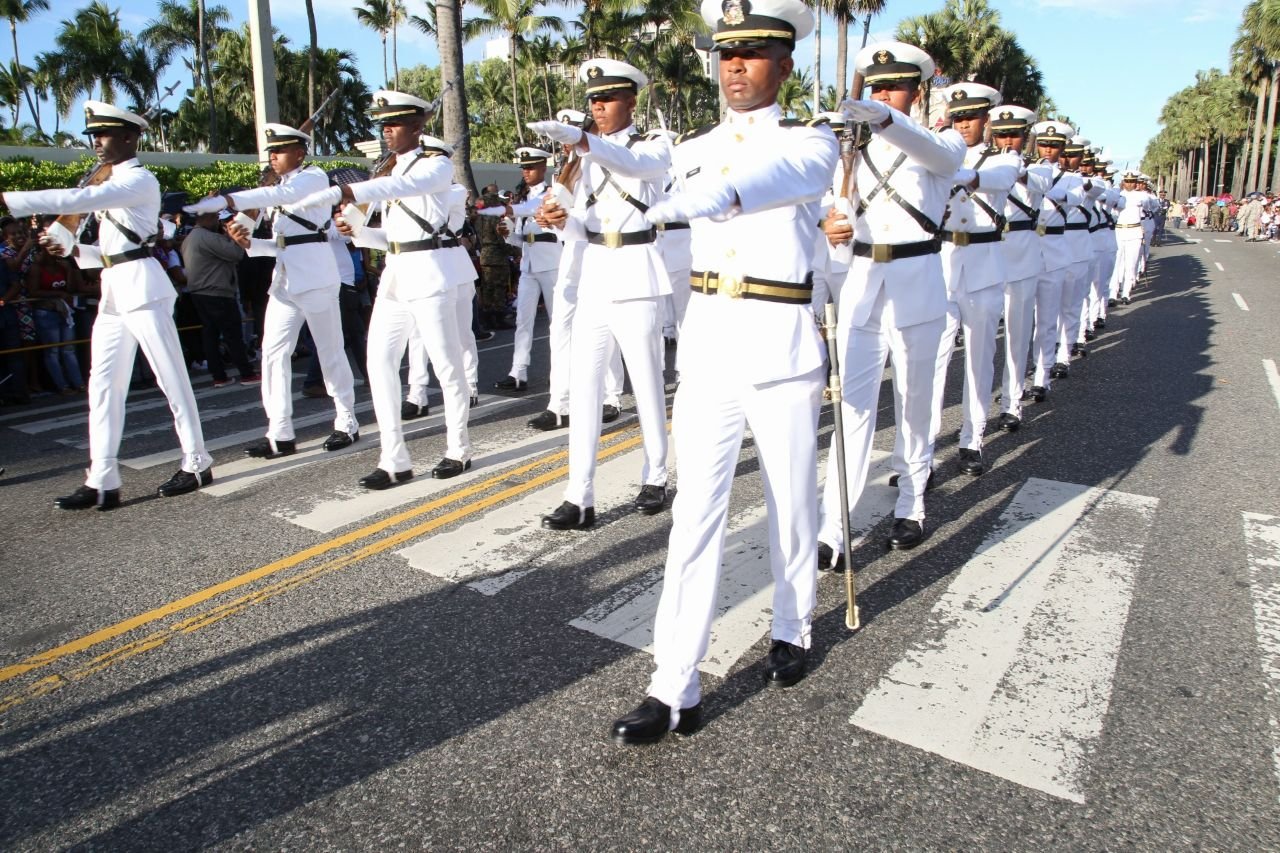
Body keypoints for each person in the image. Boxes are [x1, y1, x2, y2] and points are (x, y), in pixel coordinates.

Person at [609, 0, 836, 745]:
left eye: (753, 53)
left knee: (790, 503)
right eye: (726, 54)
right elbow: (638, 168)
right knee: (694, 515)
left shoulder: (812, 140)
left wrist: (716, 194)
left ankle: (793, 625)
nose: (735, 66)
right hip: (709, 345)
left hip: (781, 345)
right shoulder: (692, 146)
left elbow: (785, 176)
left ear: (785, 64)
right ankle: (673, 684)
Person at [1, 101, 214, 508]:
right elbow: (107, 251)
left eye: (104, 134)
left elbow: (81, 199)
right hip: (115, 288)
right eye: (94, 136)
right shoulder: (109, 186)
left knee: (171, 378)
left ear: (129, 138)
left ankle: (197, 460)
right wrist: (70, 248)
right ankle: (102, 478)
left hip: (144, 287)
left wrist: (11, 199)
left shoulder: (138, 180)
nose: (96, 142)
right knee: (103, 384)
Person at [817, 40, 965, 559]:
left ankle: (912, 502)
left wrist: (881, 118)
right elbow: (836, 212)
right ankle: (834, 528)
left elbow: (935, 153)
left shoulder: (941, 144)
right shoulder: (851, 151)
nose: (883, 95)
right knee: (852, 409)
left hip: (916, 282)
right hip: (863, 285)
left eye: (895, 87)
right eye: (877, 87)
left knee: (914, 402)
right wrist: (833, 226)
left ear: (917, 93)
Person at [304, 90, 475, 488]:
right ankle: (394, 458)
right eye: (383, 124)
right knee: (379, 363)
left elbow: (409, 192)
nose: (386, 130)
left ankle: (459, 449)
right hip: (396, 277)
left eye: (394, 123)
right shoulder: (389, 173)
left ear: (417, 126)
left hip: (430, 276)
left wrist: (354, 191)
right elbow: (393, 239)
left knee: (447, 367)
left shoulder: (435, 166)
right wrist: (357, 231)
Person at [530, 57, 673, 529]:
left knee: (646, 383)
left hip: (637, 274)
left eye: (608, 98)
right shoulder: (580, 158)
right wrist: (558, 221)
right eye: (593, 99)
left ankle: (656, 475)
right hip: (595, 276)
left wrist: (582, 142)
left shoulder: (652, 145)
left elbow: (636, 165)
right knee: (585, 388)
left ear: (631, 100)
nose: (599, 106)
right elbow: (582, 224)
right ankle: (579, 495)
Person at [187, 123, 360, 458]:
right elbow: (281, 243)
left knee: (330, 351)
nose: (273, 157)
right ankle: (280, 433)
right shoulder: (276, 189)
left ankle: (346, 421)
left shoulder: (312, 179)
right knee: (272, 353)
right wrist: (249, 243)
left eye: (279, 150)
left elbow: (285, 202)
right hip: (284, 281)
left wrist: (233, 199)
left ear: (300, 153)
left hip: (316, 278)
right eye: (271, 151)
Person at [926, 83, 1018, 478]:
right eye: (958, 117)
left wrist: (954, 172)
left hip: (983, 269)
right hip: (943, 265)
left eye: (971, 117)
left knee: (979, 360)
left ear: (986, 120)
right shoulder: (937, 153)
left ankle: (972, 438)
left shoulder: (1004, 158)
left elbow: (1000, 179)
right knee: (932, 362)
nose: (963, 124)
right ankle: (923, 451)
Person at [490, 146, 562, 393]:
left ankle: (560, 373)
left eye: (530, 167)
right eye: (523, 167)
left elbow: (546, 217)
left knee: (557, 322)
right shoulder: (522, 198)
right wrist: (507, 234)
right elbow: (520, 238)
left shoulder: (552, 193)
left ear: (543, 167)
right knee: (523, 320)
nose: (526, 171)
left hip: (552, 263)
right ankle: (518, 372)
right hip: (529, 265)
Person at [990, 104, 1043, 433]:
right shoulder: (982, 163)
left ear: (1025, 137)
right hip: (987, 255)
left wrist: (1014, 167)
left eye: (1014, 135)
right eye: (1001, 135)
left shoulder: (1038, 170)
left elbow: (1039, 185)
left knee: (1016, 334)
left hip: (1021, 258)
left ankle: (1012, 401)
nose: (1007, 141)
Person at [180, 209, 260, 387]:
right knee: (233, 334)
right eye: (216, 218)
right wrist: (233, 237)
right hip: (216, 291)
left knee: (210, 335)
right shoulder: (207, 237)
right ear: (208, 218)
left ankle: (219, 376)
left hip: (200, 291)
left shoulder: (190, 238)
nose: (218, 222)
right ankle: (246, 373)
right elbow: (236, 253)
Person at [25, 240, 86, 395]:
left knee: (69, 349)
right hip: (46, 313)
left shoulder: (63, 266)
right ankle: (62, 386)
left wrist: (69, 270)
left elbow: (70, 289)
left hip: (64, 312)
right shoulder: (36, 268)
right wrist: (57, 293)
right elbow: (33, 291)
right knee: (52, 351)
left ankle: (78, 383)